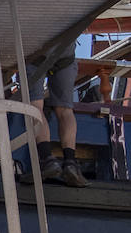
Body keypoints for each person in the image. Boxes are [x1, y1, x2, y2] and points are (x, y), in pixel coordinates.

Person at [23, 42, 88, 187]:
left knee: (35, 107)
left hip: (37, 54)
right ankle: (70, 163)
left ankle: (48, 160)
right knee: (65, 111)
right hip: (65, 56)